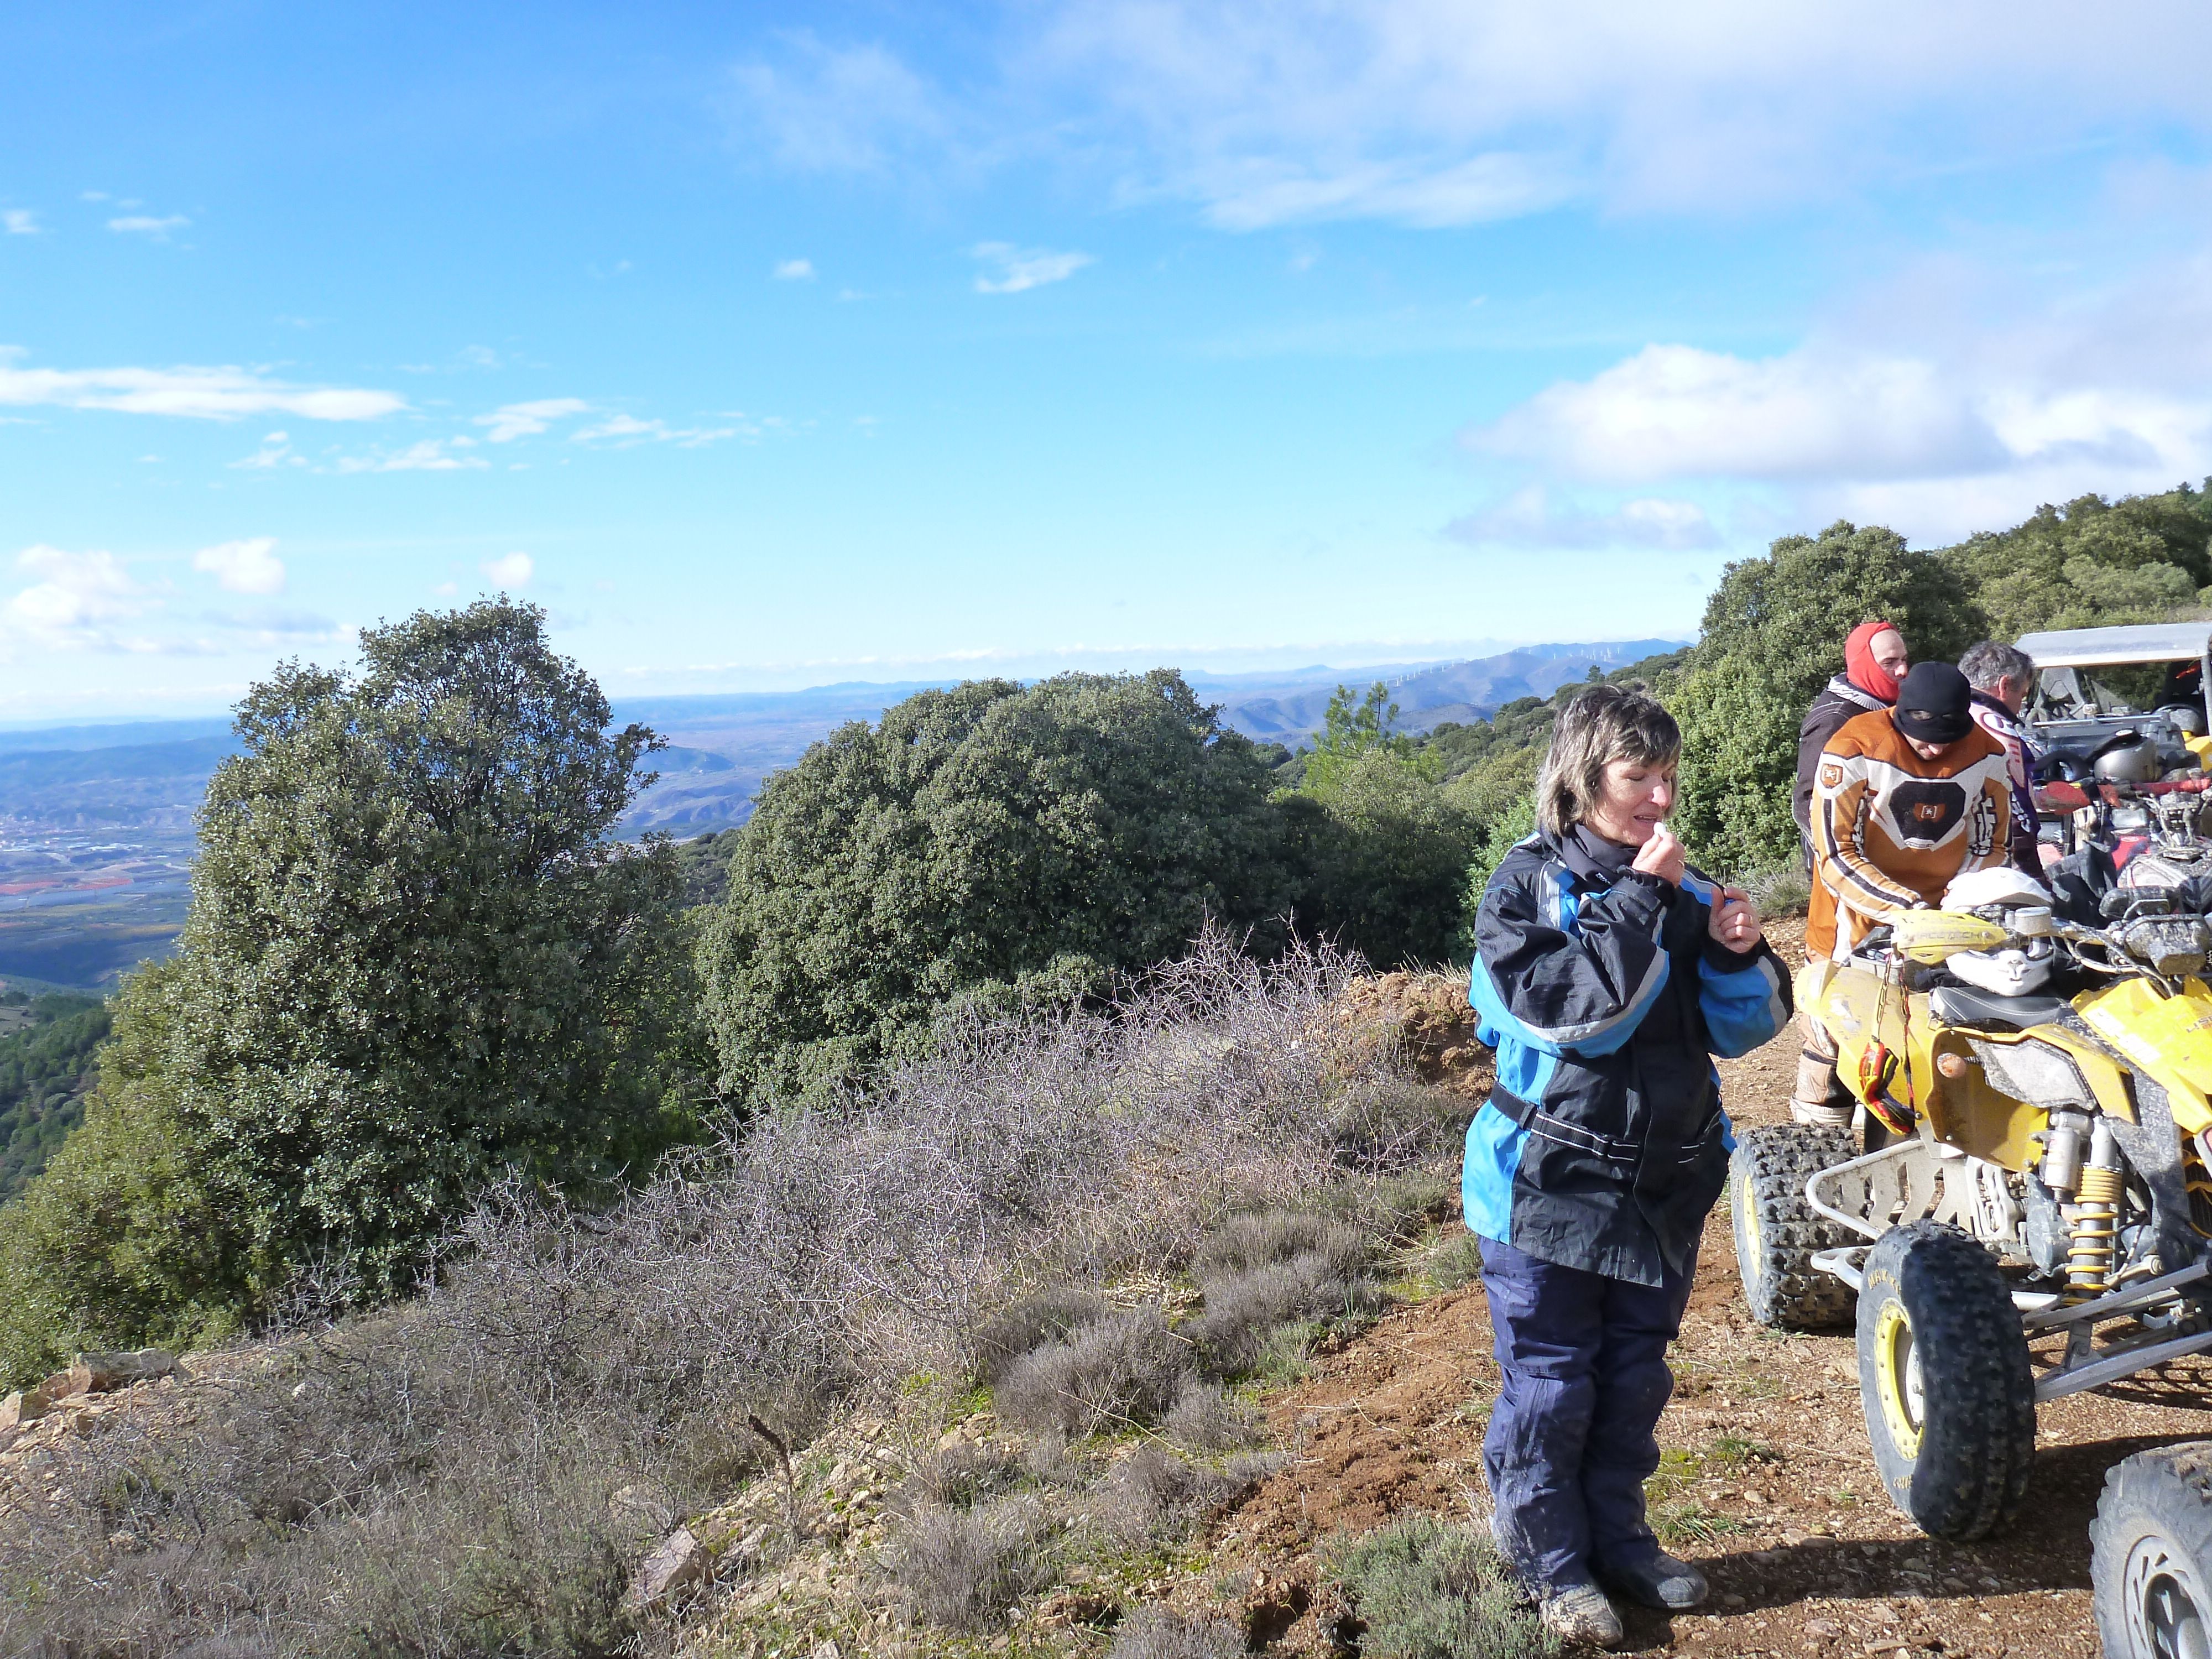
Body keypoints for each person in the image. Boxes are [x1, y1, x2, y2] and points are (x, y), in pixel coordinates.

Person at [1465, 686, 1790, 1646]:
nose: (1659, 797)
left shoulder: (1684, 887)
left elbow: (1750, 1031)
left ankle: (1622, 1544)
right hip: (1546, 1184)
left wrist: (1738, 954)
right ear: (1582, 780)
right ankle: (1549, 1565)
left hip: (1662, 1182)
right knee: (1552, 1385)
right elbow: (1572, 1018)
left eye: (1667, 777)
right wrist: (1644, 899)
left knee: (1633, 1377)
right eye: (1636, 776)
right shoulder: (1523, 888)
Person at [1792, 661, 2017, 1131]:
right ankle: (1819, 1131)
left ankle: (1934, 1128)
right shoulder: (1853, 747)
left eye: (1947, 738)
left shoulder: (1987, 755)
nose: (1934, 748)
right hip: (1854, 909)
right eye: (1923, 737)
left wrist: (1957, 907)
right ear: (1900, 715)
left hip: (1949, 911)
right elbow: (1835, 852)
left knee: (1940, 1024)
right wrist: (1907, 911)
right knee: (1837, 1030)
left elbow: (1990, 844)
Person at [1794, 620, 1911, 858]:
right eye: (1889, 663)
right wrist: (1843, 862)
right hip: (1848, 866)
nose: (1902, 671)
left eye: (1904, 659)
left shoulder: (1887, 705)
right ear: (1864, 663)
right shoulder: (1834, 720)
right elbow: (1807, 801)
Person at [1959, 639, 2043, 875]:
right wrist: (2033, 876)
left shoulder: (1942, 714)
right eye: (2023, 695)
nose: (2021, 705)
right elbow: (2018, 817)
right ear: (2004, 686)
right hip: (1992, 860)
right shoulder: (1997, 727)